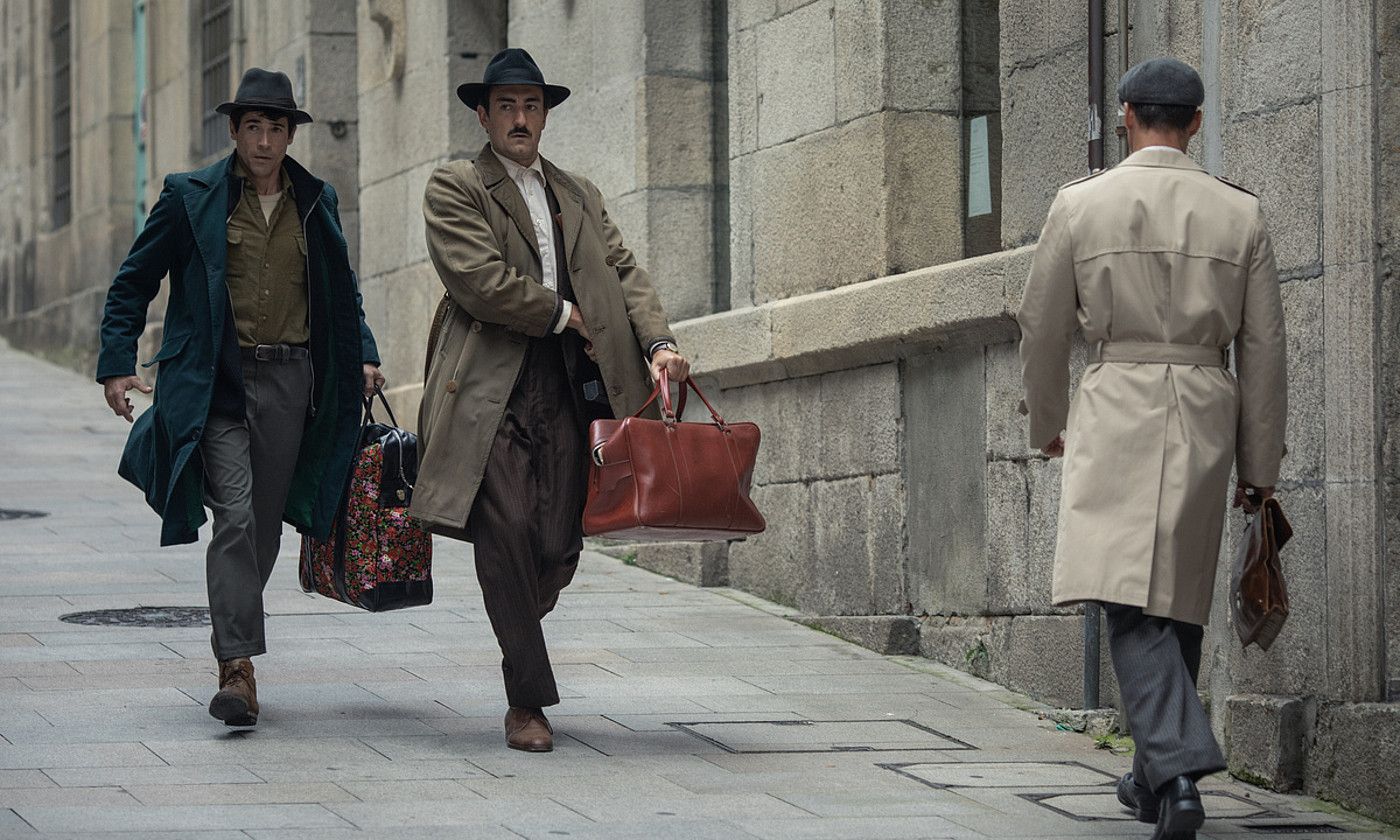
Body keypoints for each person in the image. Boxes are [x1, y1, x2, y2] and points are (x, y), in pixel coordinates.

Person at [1017, 58, 1287, 840]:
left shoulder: (1080, 204)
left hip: (1117, 401)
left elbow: (1042, 325)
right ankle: (1153, 781)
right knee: (1179, 591)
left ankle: (1179, 768)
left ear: (1129, 115)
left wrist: (1047, 420)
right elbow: (1265, 348)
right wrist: (1259, 467)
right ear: (1196, 122)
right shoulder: (1241, 214)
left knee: (1125, 592)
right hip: (1206, 405)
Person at [410, 48, 691, 752]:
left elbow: (623, 271)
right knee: (504, 529)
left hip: (571, 385)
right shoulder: (456, 187)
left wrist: (658, 342)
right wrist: (563, 314)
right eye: (505, 105)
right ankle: (527, 703)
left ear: (545, 115)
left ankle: (518, 618)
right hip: (489, 388)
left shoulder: (578, 192)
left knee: (560, 540)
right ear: (483, 114)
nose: (520, 118)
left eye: (531, 105)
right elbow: (478, 279)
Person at [97, 68, 384, 728]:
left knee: (262, 522)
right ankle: (237, 666)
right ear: (233, 131)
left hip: (292, 383)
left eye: (275, 128)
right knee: (236, 513)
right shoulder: (190, 197)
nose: (263, 140)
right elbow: (131, 283)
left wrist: (362, 349)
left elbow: (341, 291)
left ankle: (232, 635)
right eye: (252, 127)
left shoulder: (316, 200)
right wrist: (117, 364)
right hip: (217, 384)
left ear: (289, 134)